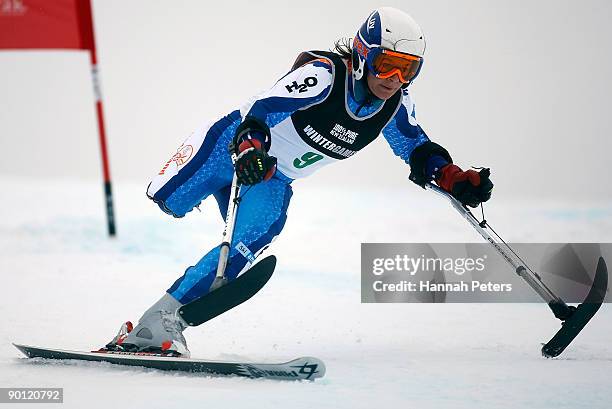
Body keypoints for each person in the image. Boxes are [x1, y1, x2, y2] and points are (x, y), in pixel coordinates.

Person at [105, 6, 493, 357]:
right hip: (232, 146)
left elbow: (417, 148)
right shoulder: (325, 75)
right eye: (386, 63)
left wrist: (451, 176)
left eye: (407, 68)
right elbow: (264, 108)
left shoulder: (394, 105)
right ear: (362, 54)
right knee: (170, 201)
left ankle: (160, 323)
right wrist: (250, 146)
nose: (393, 78)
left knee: (259, 230)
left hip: (272, 174)